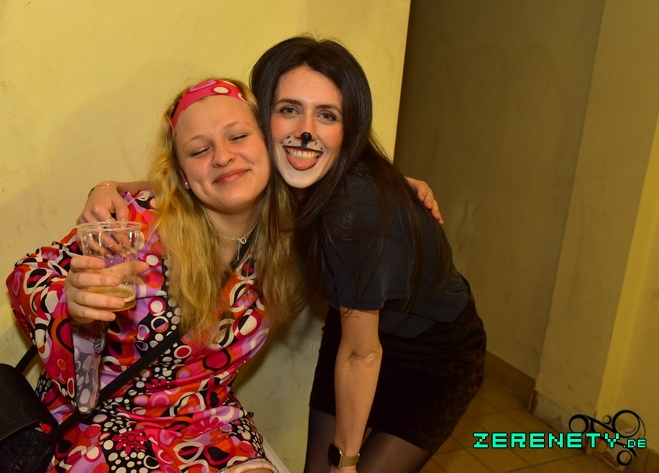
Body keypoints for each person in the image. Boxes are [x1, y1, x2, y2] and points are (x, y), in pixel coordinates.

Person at [81, 36, 485, 473]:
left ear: (348, 130)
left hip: (432, 355)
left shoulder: (356, 211)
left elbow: (362, 354)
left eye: (327, 115)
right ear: (264, 120)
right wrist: (106, 189)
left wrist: (346, 462)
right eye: (290, 109)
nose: (305, 130)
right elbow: (197, 177)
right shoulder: (281, 165)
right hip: (353, 329)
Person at [7, 78, 302, 473]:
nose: (222, 156)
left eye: (238, 136)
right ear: (182, 174)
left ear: (269, 144)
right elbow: (27, 274)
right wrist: (69, 305)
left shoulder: (289, 237)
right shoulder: (136, 224)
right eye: (199, 150)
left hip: (206, 420)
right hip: (105, 422)